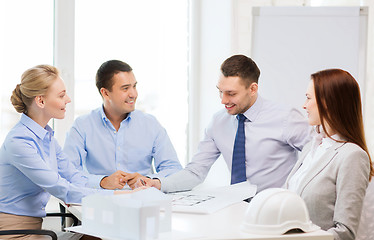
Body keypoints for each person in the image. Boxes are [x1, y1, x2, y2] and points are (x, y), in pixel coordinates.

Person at [0, 65, 139, 239]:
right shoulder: (19, 142)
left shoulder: (46, 137)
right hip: (14, 234)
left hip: (35, 229)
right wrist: (119, 197)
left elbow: (74, 176)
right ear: (41, 101)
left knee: (103, 235)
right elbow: (61, 188)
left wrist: (114, 188)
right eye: (61, 95)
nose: (68, 99)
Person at [138, 54, 311, 193]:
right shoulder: (218, 122)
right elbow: (195, 171)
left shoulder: (285, 118)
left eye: (231, 93)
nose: (223, 100)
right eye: (220, 92)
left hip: (277, 210)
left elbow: (317, 160)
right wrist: (158, 183)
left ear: (252, 89)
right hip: (236, 208)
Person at [63, 60, 182, 190]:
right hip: (100, 202)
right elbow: (68, 172)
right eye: (125, 88)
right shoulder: (82, 126)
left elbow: (174, 169)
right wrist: (102, 182)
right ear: (105, 93)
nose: (134, 94)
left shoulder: (150, 124)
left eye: (134, 86)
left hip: (144, 201)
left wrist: (149, 180)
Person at [284, 69, 374, 240]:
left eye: (308, 98)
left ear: (328, 103)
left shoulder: (352, 156)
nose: (304, 105)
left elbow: (345, 232)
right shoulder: (311, 147)